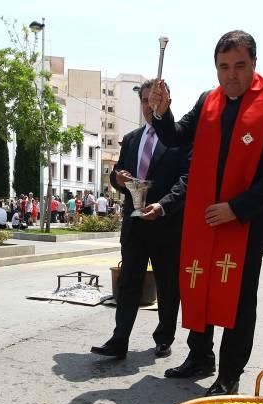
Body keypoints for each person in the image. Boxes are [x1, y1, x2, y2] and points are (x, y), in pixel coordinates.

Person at [149, 30, 263, 396]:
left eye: (239, 66)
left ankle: (230, 372)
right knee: (198, 285)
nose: (231, 75)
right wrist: (162, 111)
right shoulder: (207, 102)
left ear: (254, 64)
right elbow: (175, 137)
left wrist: (237, 208)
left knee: (239, 300)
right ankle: (200, 356)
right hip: (204, 219)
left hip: (245, 222)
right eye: (223, 67)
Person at [91, 79, 189, 360]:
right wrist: (116, 179)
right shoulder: (132, 139)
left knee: (168, 285)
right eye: (145, 101)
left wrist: (163, 205)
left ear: (166, 100)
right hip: (134, 224)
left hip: (166, 224)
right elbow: (119, 175)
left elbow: (186, 179)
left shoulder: (179, 138)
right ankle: (119, 339)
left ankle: (163, 337)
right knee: (129, 281)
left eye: (155, 100)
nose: (149, 106)